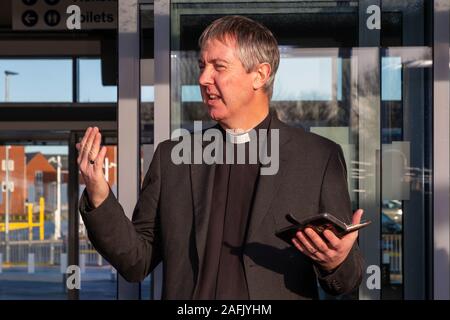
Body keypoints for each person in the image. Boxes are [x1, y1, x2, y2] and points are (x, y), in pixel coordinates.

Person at [77, 15, 364, 300]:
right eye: (202, 66)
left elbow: (346, 280)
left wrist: (335, 262)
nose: (203, 78)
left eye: (219, 67)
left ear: (260, 75)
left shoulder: (317, 157)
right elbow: (136, 261)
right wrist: (99, 196)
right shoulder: (172, 159)